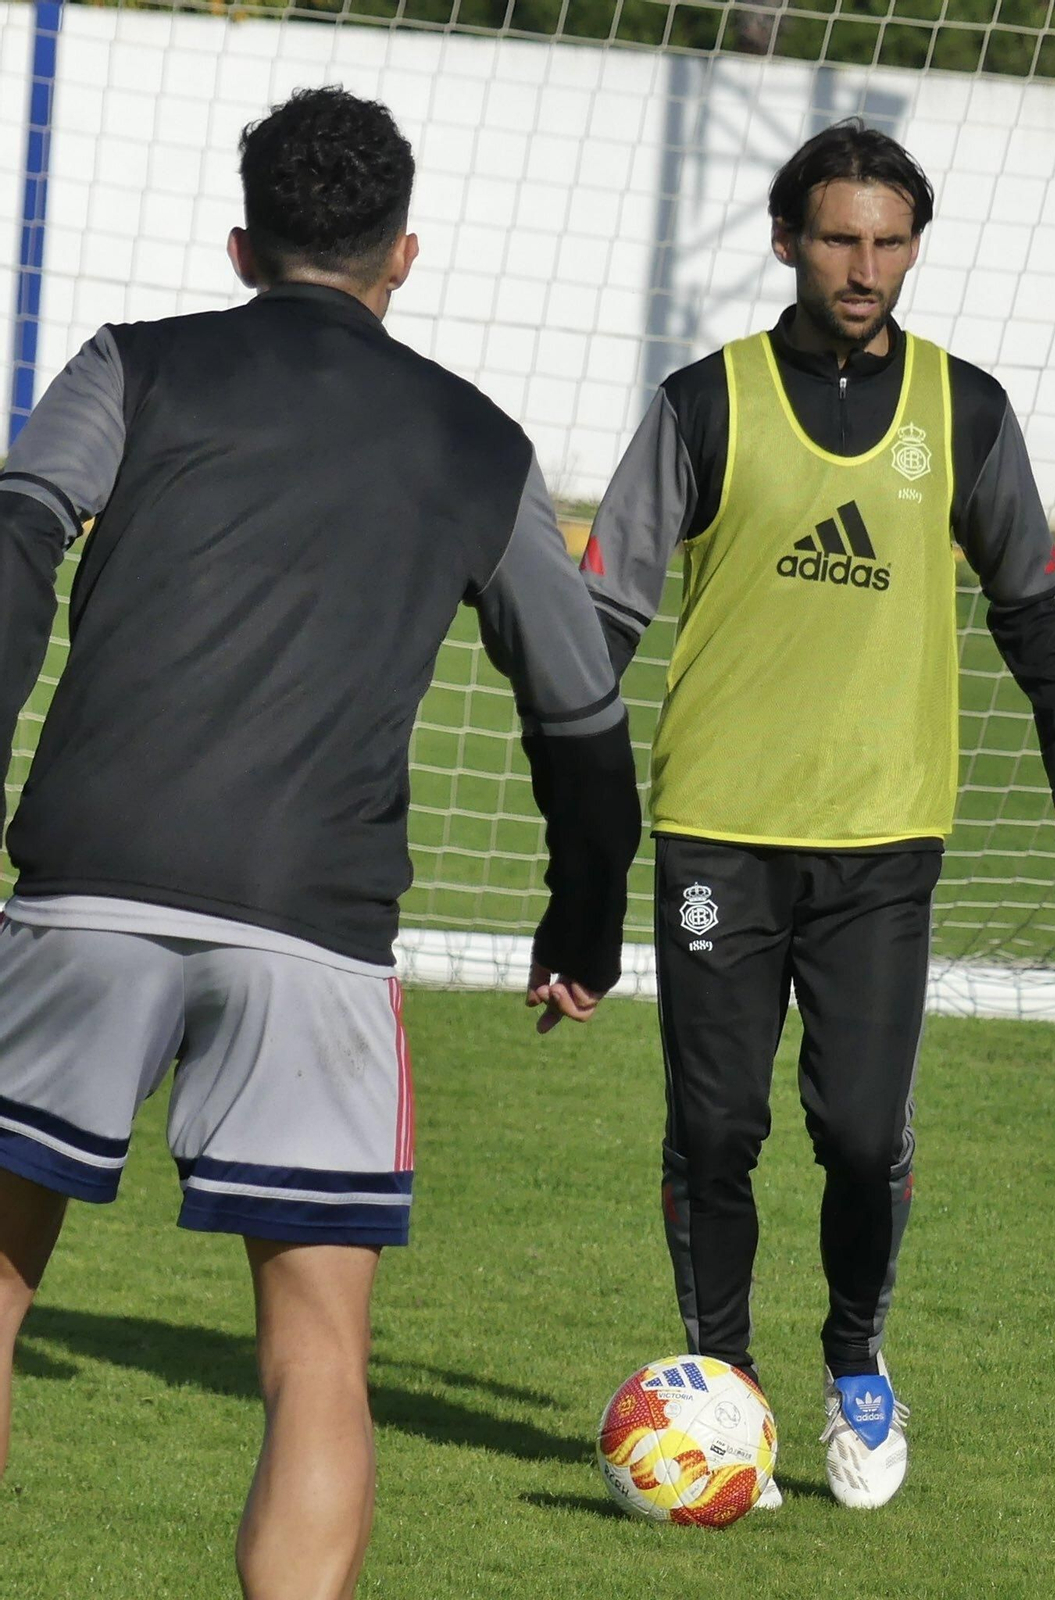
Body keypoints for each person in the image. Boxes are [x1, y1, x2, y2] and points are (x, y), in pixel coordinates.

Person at [0, 88, 639, 1599]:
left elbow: (16, 538)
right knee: (315, 1357)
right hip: (316, 926)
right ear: (403, 256)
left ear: (243, 242)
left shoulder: (131, 366)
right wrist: (585, 920)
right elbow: (582, 714)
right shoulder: (482, 446)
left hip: (85, 880)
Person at [581, 118, 1055, 1510]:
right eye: (839, 238)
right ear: (785, 241)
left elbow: (1029, 593)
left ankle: (856, 1368)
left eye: (889, 241)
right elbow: (604, 608)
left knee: (865, 1135)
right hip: (718, 826)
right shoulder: (706, 403)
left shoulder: (965, 409)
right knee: (712, 1131)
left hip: (884, 833)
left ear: (913, 248)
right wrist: (571, 795)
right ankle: (727, 1398)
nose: (865, 266)